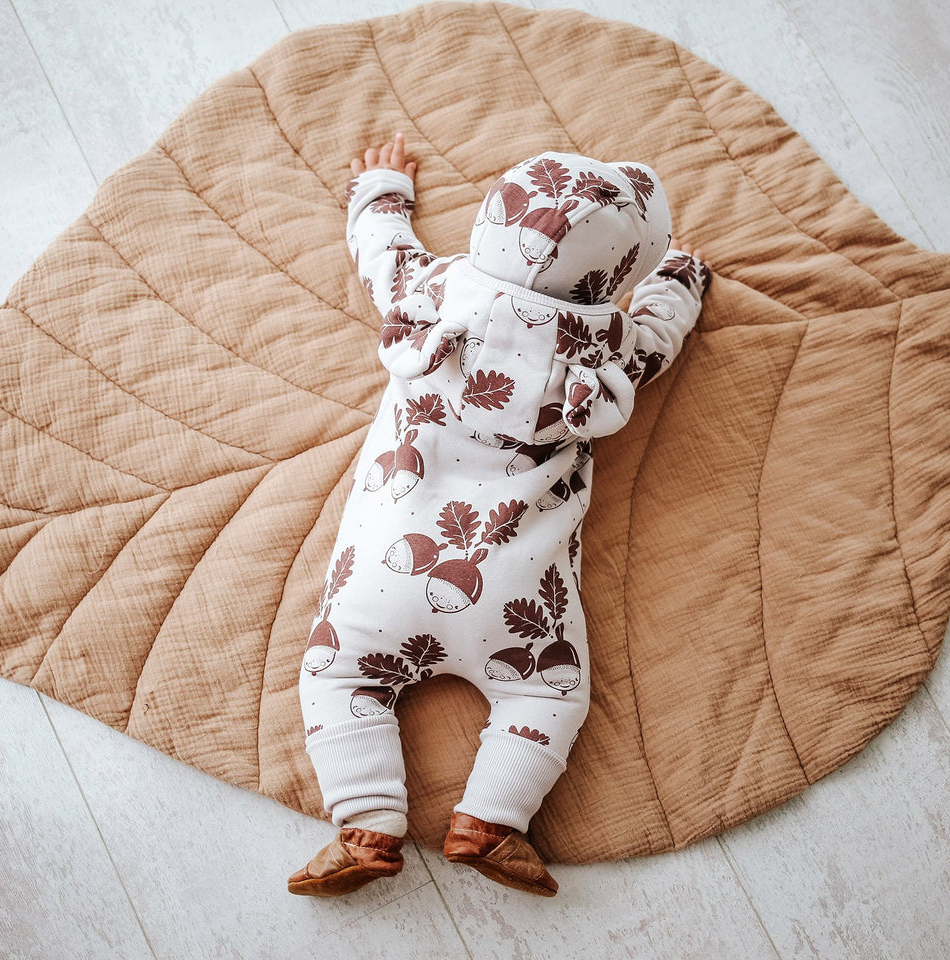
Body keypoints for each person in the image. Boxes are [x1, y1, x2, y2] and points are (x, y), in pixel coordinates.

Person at [288, 131, 709, 898]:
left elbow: (382, 253)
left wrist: (382, 189)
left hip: (386, 574)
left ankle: (366, 824)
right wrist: (681, 277)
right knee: (549, 694)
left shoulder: (433, 289)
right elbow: (660, 338)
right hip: (517, 593)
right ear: (613, 281)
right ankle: (489, 821)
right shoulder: (605, 349)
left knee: (335, 673)